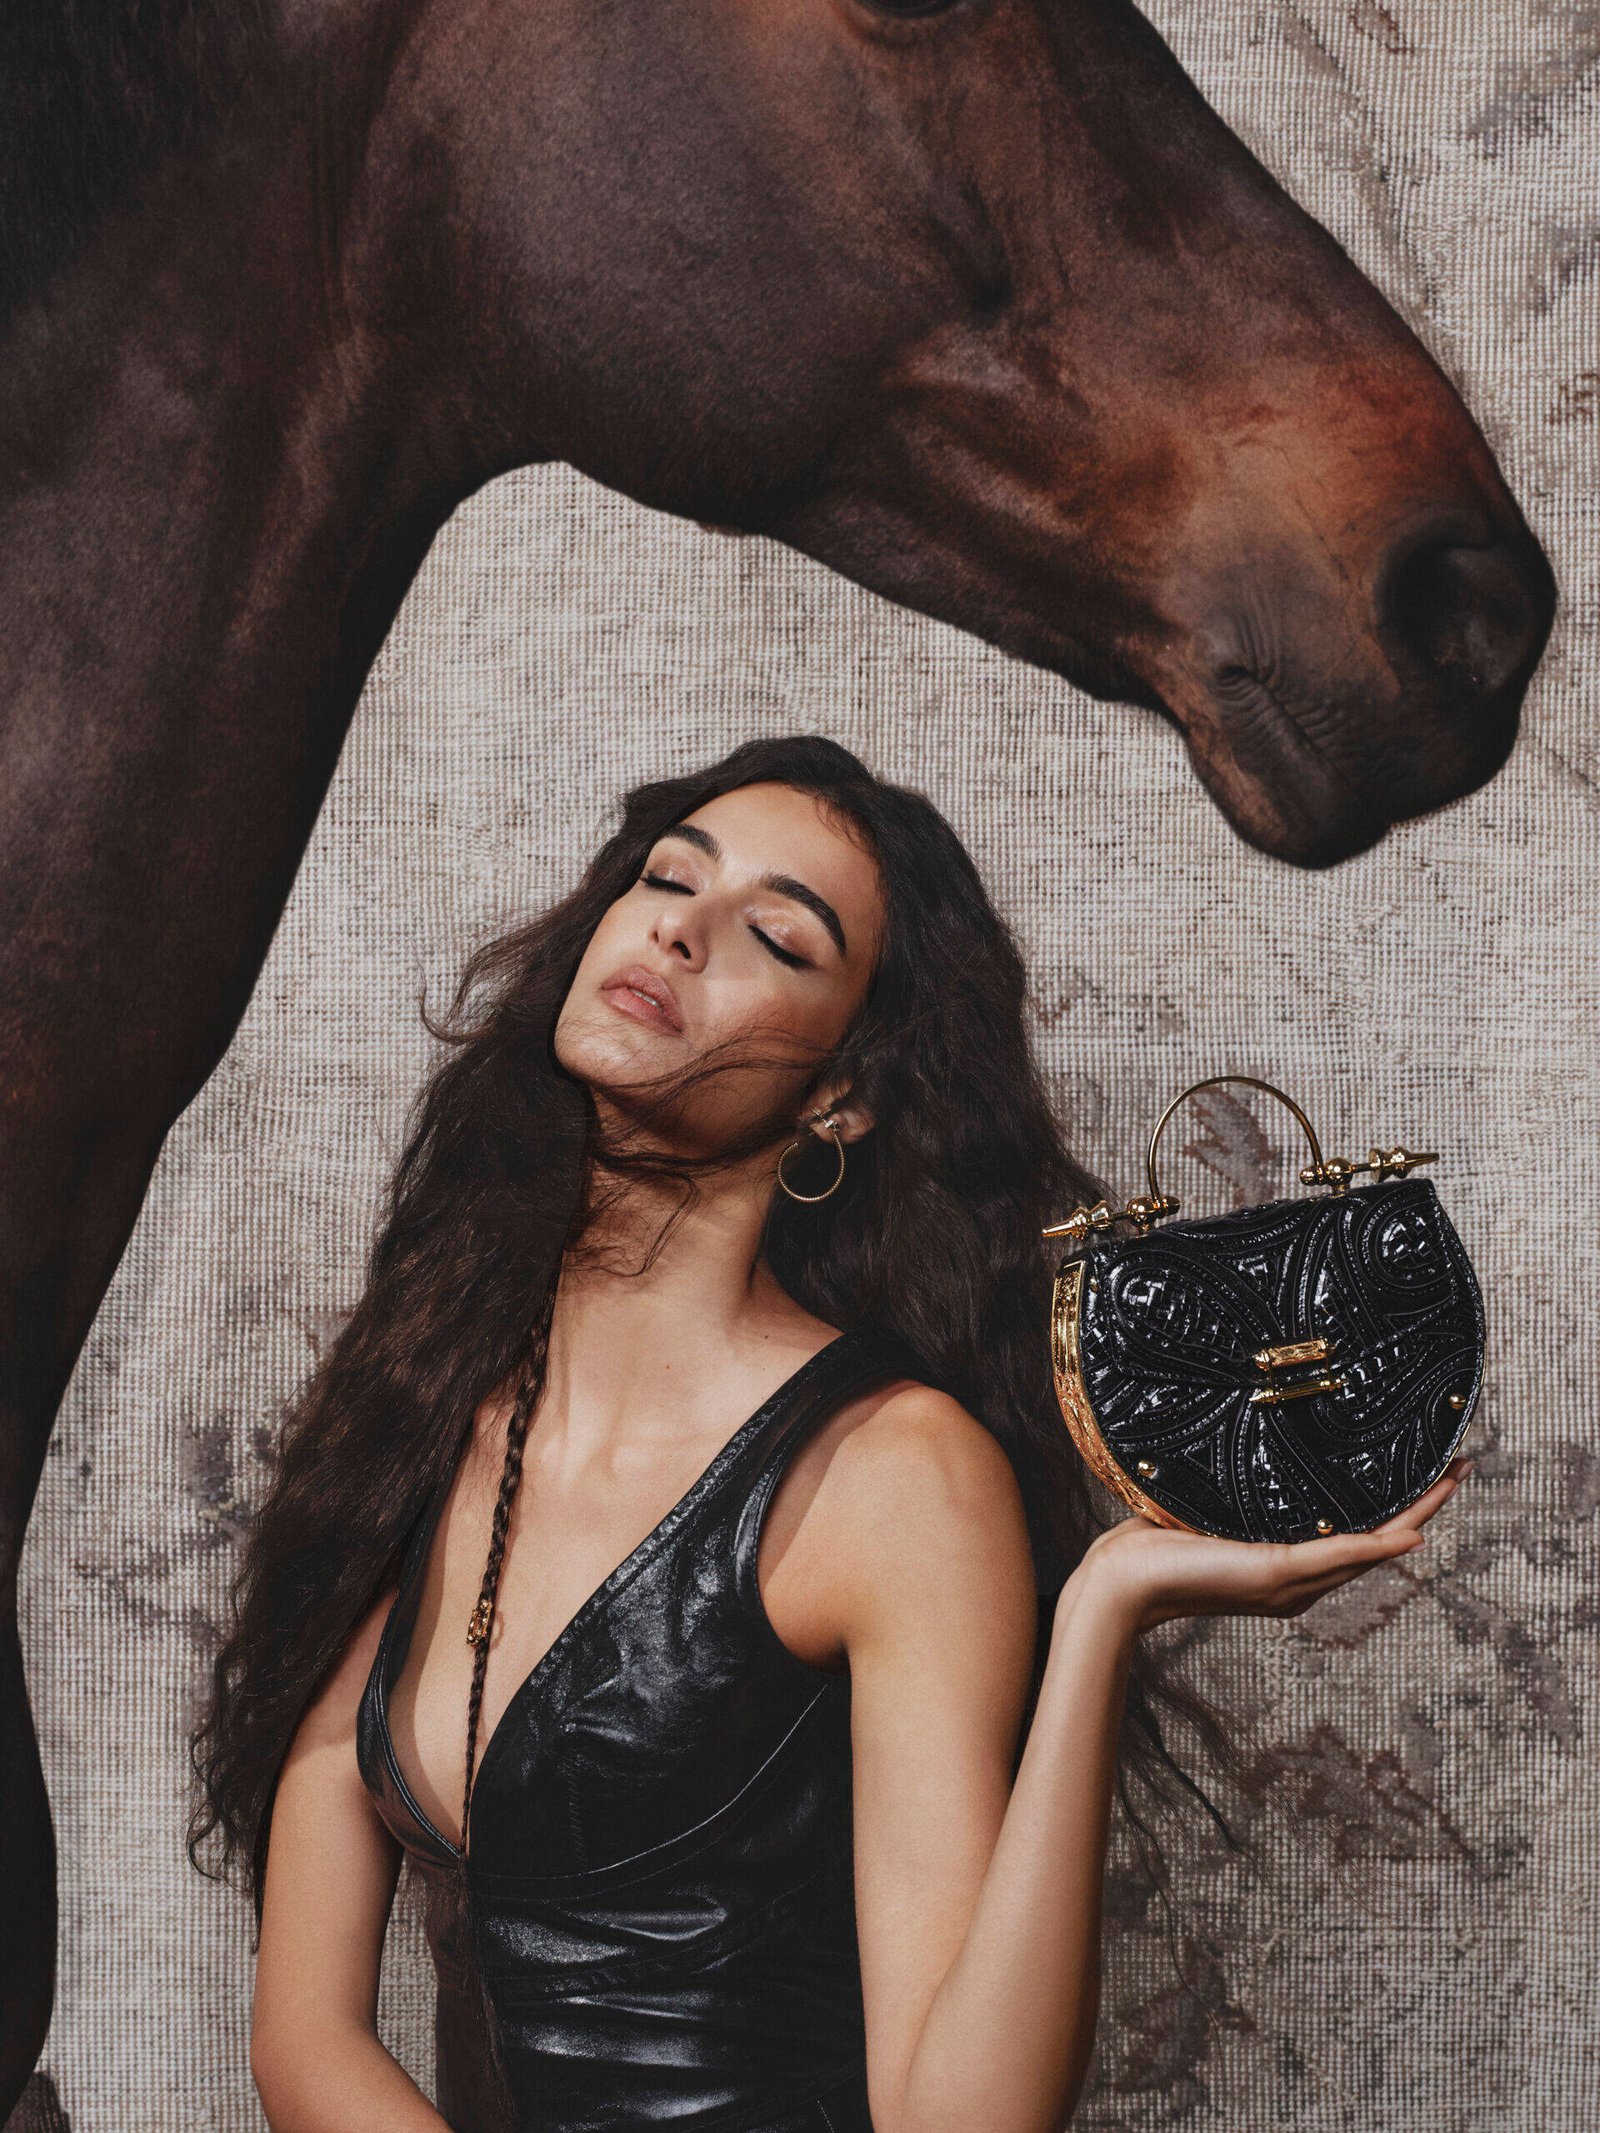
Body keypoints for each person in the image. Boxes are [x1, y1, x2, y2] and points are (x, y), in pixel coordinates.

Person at [188, 734, 1469, 2133]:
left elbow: (958, 2122)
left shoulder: (894, 1473)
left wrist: (1103, 1612)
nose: (681, 928)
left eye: (778, 937)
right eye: (667, 877)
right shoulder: (421, 1401)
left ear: (840, 1094)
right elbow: (303, 2036)